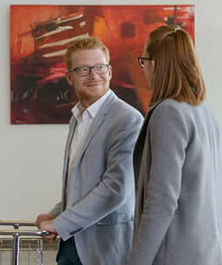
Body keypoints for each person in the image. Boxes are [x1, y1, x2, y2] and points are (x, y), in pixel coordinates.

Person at [33, 37, 142, 265]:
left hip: (105, 251)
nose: (93, 75)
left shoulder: (128, 119)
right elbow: (81, 185)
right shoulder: (77, 119)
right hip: (71, 244)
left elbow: (116, 189)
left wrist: (60, 223)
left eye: (99, 67)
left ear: (110, 72)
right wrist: (57, 213)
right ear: (69, 78)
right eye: (84, 69)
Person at [125, 25, 222, 265]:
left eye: (143, 62)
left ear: (155, 64)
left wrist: (137, 261)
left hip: (176, 255)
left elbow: (162, 199)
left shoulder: (168, 112)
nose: (143, 69)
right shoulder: (203, 109)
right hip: (207, 253)